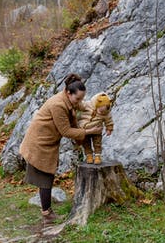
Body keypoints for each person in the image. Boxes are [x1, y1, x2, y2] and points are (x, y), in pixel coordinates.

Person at [19, 73, 102, 225]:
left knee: (47, 177)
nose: (79, 102)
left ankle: (47, 211)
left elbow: (75, 116)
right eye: (77, 99)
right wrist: (89, 132)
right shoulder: (58, 104)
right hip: (39, 143)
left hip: (47, 142)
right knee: (45, 178)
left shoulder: (67, 100)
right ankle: (47, 214)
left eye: (81, 99)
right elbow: (66, 131)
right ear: (69, 93)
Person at [78, 92, 114, 165]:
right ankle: (89, 156)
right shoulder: (88, 105)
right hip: (85, 130)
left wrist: (109, 129)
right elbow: (81, 106)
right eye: (100, 111)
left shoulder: (106, 114)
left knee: (97, 144)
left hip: (97, 131)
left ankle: (97, 156)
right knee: (86, 144)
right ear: (97, 105)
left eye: (104, 112)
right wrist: (78, 103)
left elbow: (109, 121)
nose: (101, 113)